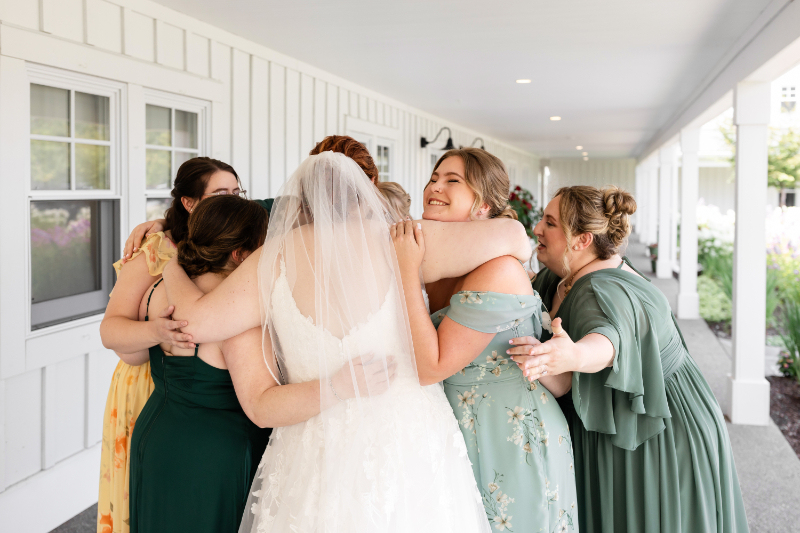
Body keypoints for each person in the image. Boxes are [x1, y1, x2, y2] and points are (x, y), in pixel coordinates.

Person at [161, 150, 496, 532]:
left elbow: (192, 324)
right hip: (407, 438)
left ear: (299, 203)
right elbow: (512, 236)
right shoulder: (402, 240)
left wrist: (168, 261)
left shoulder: (272, 259)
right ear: (365, 193)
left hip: (316, 445)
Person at [508, 186, 749, 533]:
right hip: (657, 408)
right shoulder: (567, 272)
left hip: (654, 427)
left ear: (582, 239)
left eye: (550, 223)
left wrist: (575, 355)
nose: (538, 230)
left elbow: (610, 338)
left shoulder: (601, 289)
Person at [391, 148, 578, 533]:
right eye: (433, 177)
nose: (434, 187)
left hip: (512, 436)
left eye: (452, 181)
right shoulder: (435, 257)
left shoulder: (499, 270)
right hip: (452, 430)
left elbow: (431, 366)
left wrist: (406, 272)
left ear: (483, 206)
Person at [97, 157, 247, 533]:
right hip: (151, 381)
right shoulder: (156, 251)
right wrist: (159, 333)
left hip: (212, 399)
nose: (233, 199)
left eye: (237, 192)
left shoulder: (241, 242)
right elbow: (111, 330)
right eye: (221, 193)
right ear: (190, 202)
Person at [125, 195, 272, 533]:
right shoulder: (236, 312)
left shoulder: (157, 289)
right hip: (215, 453)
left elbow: (128, 349)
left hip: (157, 433)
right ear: (241, 254)